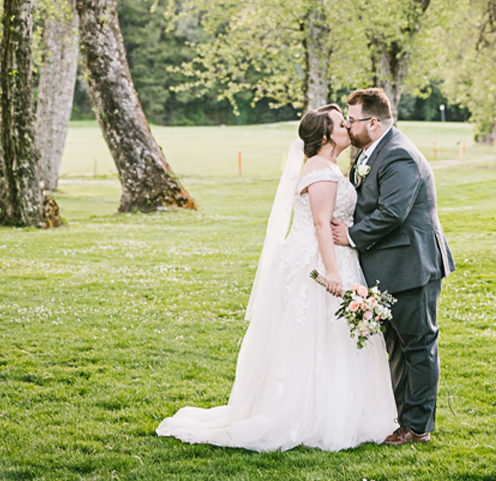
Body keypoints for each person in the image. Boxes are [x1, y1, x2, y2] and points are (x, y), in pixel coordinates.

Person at [156, 104, 398, 451]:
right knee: (314, 334)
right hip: (317, 261)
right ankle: (309, 413)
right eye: (339, 124)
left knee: (328, 338)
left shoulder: (330, 166)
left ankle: (335, 408)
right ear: (326, 136)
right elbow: (319, 224)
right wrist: (332, 271)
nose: (347, 126)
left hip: (328, 255)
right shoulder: (320, 170)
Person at [332, 87, 454, 445]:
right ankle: (401, 417)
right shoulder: (368, 152)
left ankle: (417, 428)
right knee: (396, 346)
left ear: (372, 122)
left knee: (417, 345)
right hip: (390, 264)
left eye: (351, 120)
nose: (347, 126)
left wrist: (350, 236)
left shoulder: (398, 155)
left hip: (412, 264)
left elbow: (392, 212)